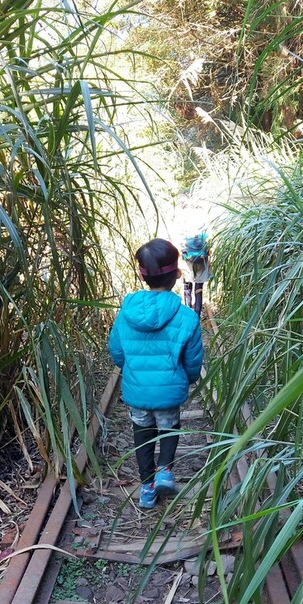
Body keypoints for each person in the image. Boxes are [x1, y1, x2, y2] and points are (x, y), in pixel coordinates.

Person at [108, 239, 203, 509]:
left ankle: (147, 488)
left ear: (141, 274)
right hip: (169, 390)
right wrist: (188, 378)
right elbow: (193, 359)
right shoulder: (186, 317)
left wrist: (129, 369)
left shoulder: (127, 312)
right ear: (176, 274)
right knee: (169, 426)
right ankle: (165, 470)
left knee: (142, 431)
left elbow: (116, 349)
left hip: (137, 390)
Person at [176, 196, 211, 318]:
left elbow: (178, 241)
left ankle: (188, 314)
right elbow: (209, 241)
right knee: (199, 287)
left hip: (187, 259)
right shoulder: (203, 219)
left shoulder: (182, 220)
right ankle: (197, 315)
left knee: (187, 286)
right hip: (202, 259)